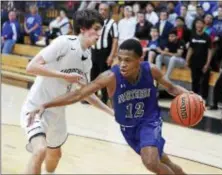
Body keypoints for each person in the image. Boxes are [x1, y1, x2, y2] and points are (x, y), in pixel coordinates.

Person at [27, 39, 194, 174]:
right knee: (163, 161)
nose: (122, 64)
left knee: (150, 161)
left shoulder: (151, 70)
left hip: (150, 122)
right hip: (128, 128)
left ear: (139, 60)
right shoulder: (110, 76)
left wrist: (189, 95)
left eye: (128, 60)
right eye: (120, 59)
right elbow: (79, 94)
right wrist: (46, 104)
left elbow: (171, 87)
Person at [20, 9, 114, 174]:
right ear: (83, 28)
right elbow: (31, 67)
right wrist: (64, 75)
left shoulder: (87, 58)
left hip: (57, 114)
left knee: (54, 157)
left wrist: (111, 112)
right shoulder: (64, 42)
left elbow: (85, 93)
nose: (100, 33)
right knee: (40, 150)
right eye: (97, 28)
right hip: (36, 107)